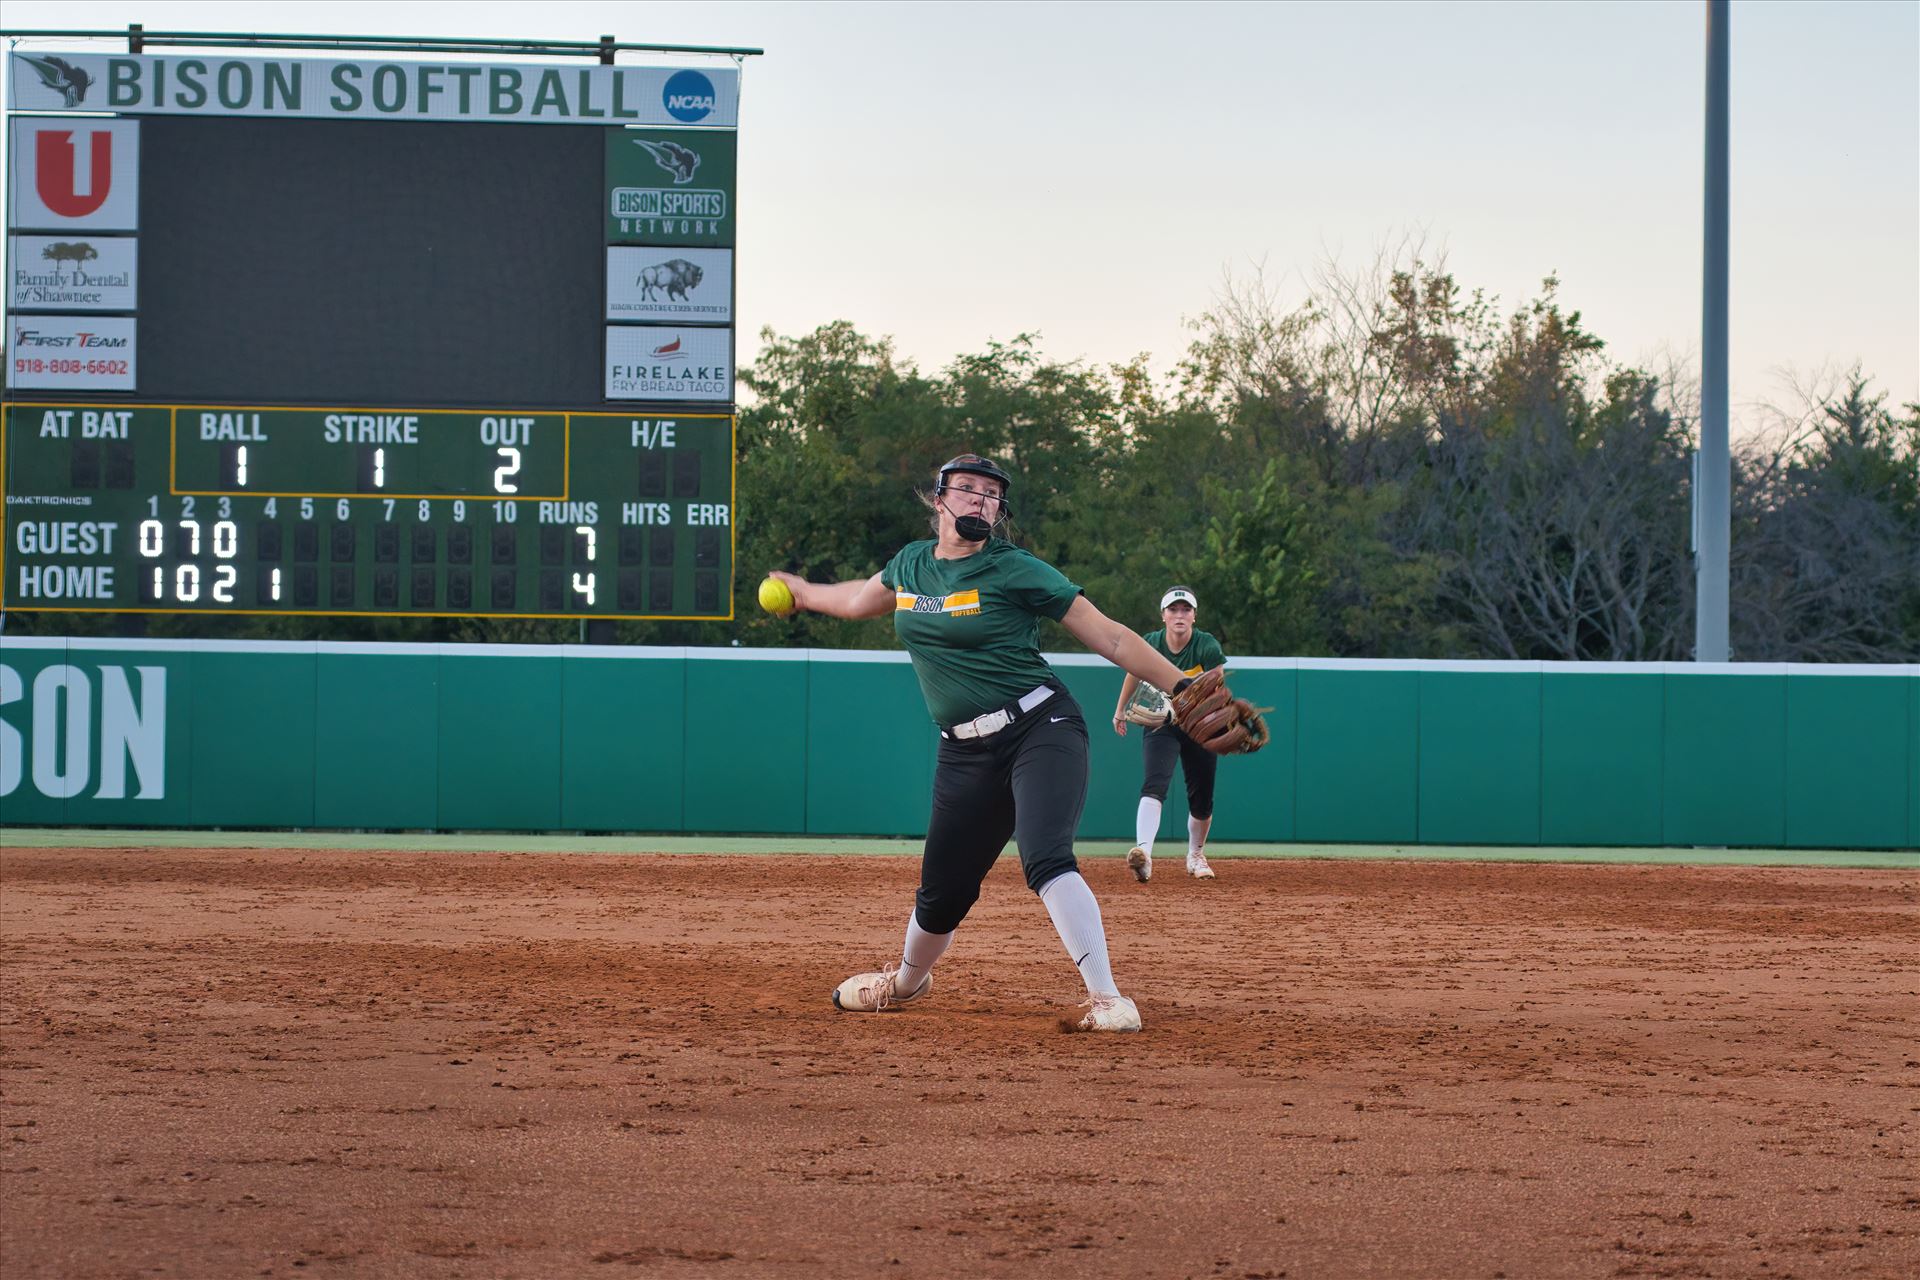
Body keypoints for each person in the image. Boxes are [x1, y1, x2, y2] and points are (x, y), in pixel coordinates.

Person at [767, 454, 1197, 1032]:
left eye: (991, 494)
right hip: (964, 750)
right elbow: (852, 602)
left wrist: (1184, 687)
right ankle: (904, 984)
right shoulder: (910, 566)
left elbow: (1114, 638)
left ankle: (1109, 1000)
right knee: (942, 891)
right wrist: (802, 593)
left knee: (1045, 855)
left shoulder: (1014, 568)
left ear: (1000, 509)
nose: (979, 500)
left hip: (1040, 727)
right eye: (966, 488)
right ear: (937, 498)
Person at [1111, 586, 1227, 882]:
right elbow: (1133, 671)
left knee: (1202, 798)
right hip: (1161, 724)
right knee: (1154, 784)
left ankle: (1196, 855)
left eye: (1185, 609)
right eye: (1173, 609)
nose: (1179, 614)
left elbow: (1217, 684)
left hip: (1198, 724)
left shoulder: (1206, 645)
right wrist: (1120, 709)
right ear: (1163, 616)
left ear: (1194, 616)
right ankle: (1144, 855)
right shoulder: (1151, 642)